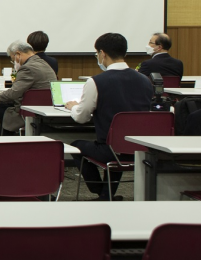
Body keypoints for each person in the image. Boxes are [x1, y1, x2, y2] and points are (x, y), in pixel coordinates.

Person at [65, 33, 152, 200]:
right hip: (141, 148)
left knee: (76, 145)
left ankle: (101, 190)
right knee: (117, 142)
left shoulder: (96, 81)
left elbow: (81, 118)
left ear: (102, 53)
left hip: (111, 151)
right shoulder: (145, 80)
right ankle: (107, 194)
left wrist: (74, 107)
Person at [0, 40, 57, 132]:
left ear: (18, 54)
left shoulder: (27, 68)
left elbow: (13, 93)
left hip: (27, 110)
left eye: (13, 59)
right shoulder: (44, 63)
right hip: (46, 107)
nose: (14, 62)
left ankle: (10, 133)